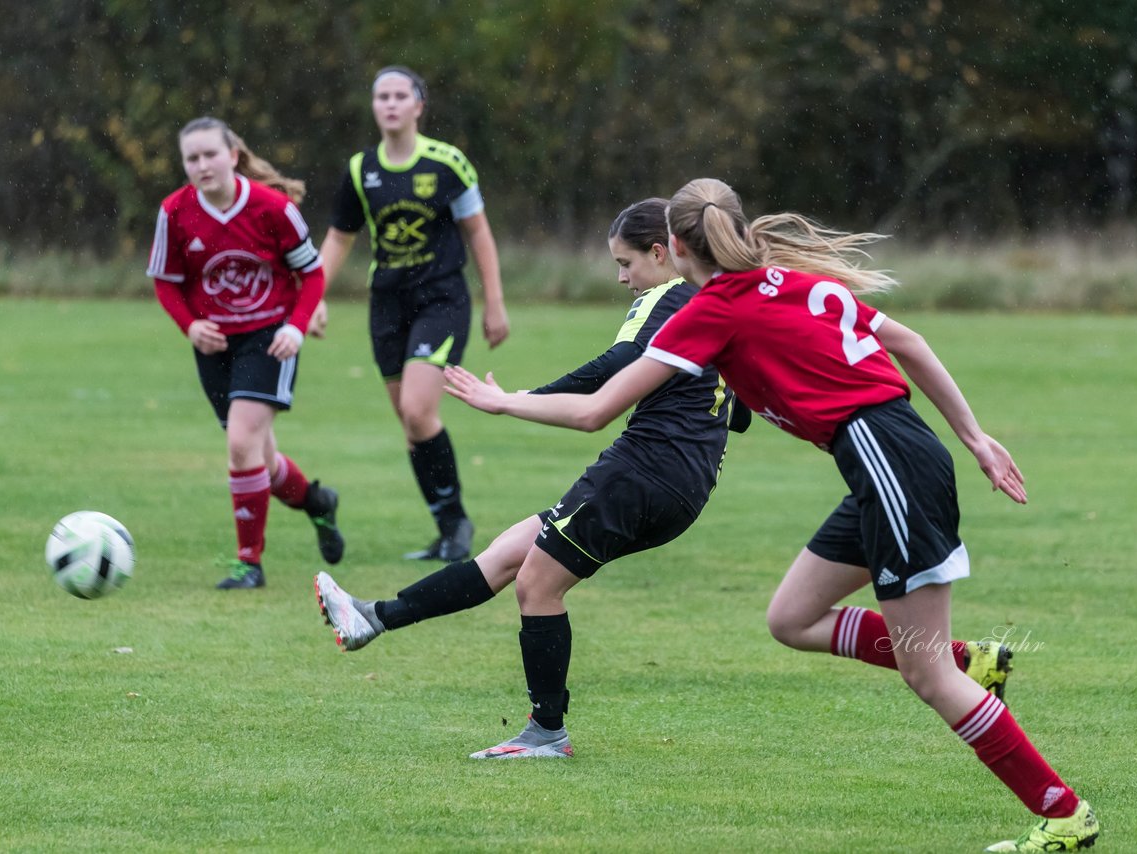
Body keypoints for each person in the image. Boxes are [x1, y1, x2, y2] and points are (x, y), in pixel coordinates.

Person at [441, 179, 1098, 852]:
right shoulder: (783, 279)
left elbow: (593, 412)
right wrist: (973, 437)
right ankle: (970, 662)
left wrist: (505, 402)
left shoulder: (712, 309)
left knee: (926, 677)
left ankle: (1064, 815)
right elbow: (911, 341)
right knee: (792, 618)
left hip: (888, 467)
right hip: (890, 462)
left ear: (671, 247)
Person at [314, 198, 752, 758]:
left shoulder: (666, 296)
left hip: (641, 472)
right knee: (509, 554)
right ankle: (371, 618)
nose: (622, 278)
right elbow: (736, 414)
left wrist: (511, 400)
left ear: (662, 253)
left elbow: (611, 369)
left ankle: (547, 733)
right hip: (683, 487)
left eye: (626, 263)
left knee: (537, 585)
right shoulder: (715, 306)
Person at [319, 65, 510, 563]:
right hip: (386, 304)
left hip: (442, 300)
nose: (390, 104)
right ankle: (448, 529)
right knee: (412, 425)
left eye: (400, 95)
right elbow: (339, 238)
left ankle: (456, 526)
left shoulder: (448, 163)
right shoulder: (362, 170)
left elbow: (479, 233)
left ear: (418, 106)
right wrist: (311, 298)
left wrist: (495, 301)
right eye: (381, 95)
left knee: (418, 411)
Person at [146, 117, 345, 589]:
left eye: (209, 154)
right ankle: (317, 502)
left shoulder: (272, 209)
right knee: (258, 457)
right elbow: (166, 282)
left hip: (269, 339)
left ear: (232, 155)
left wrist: (296, 329)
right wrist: (190, 326)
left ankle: (249, 563)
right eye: (191, 158)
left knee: (240, 443)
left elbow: (312, 276)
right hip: (214, 345)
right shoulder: (175, 212)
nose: (201, 165)